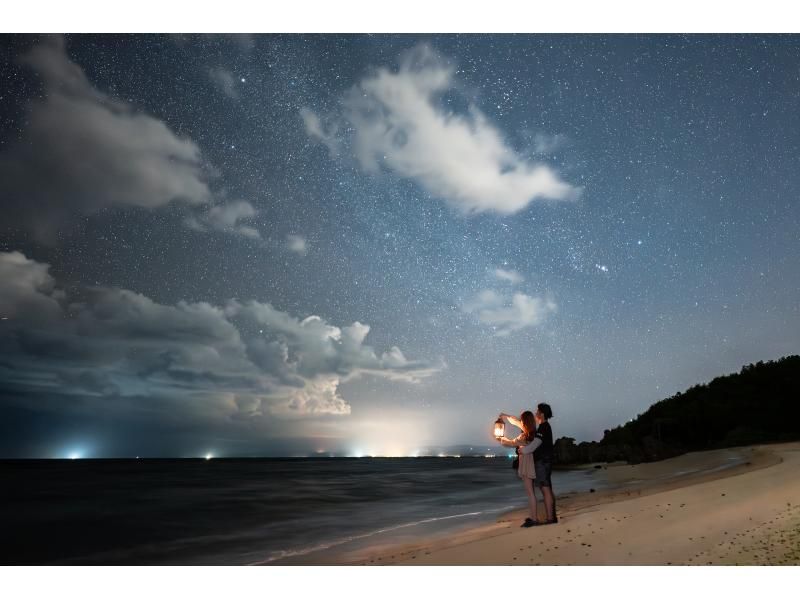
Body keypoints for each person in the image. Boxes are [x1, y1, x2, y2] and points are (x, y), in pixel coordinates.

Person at [496, 411, 538, 528]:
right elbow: (517, 422)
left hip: (526, 463)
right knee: (531, 493)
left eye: (522, 420)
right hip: (528, 462)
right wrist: (505, 416)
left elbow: (511, 443)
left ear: (525, 422)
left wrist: (500, 439)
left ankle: (534, 519)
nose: (520, 421)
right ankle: (533, 516)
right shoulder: (531, 432)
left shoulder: (525, 436)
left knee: (530, 493)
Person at [519, 403, 557, 524]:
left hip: (543, 462)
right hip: (546, 461)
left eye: (537, 411)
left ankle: (551, 518)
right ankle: (551, 517)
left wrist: (522, 450)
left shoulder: (543, 427)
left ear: (542, 414)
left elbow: (535, 444)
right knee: (546, 488)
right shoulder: (545, 426)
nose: (535, 413)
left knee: (545, 489)